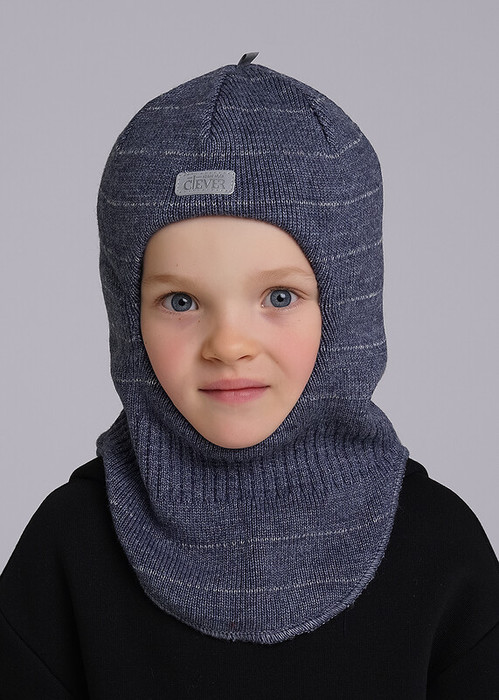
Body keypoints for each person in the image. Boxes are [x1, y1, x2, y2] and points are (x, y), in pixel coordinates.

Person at [1, 52, 498, 699]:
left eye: (279, 297)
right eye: (181, 301)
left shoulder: (440, 553)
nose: (228, 345)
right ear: (126, 312)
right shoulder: (67, 550)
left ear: (348, 306)